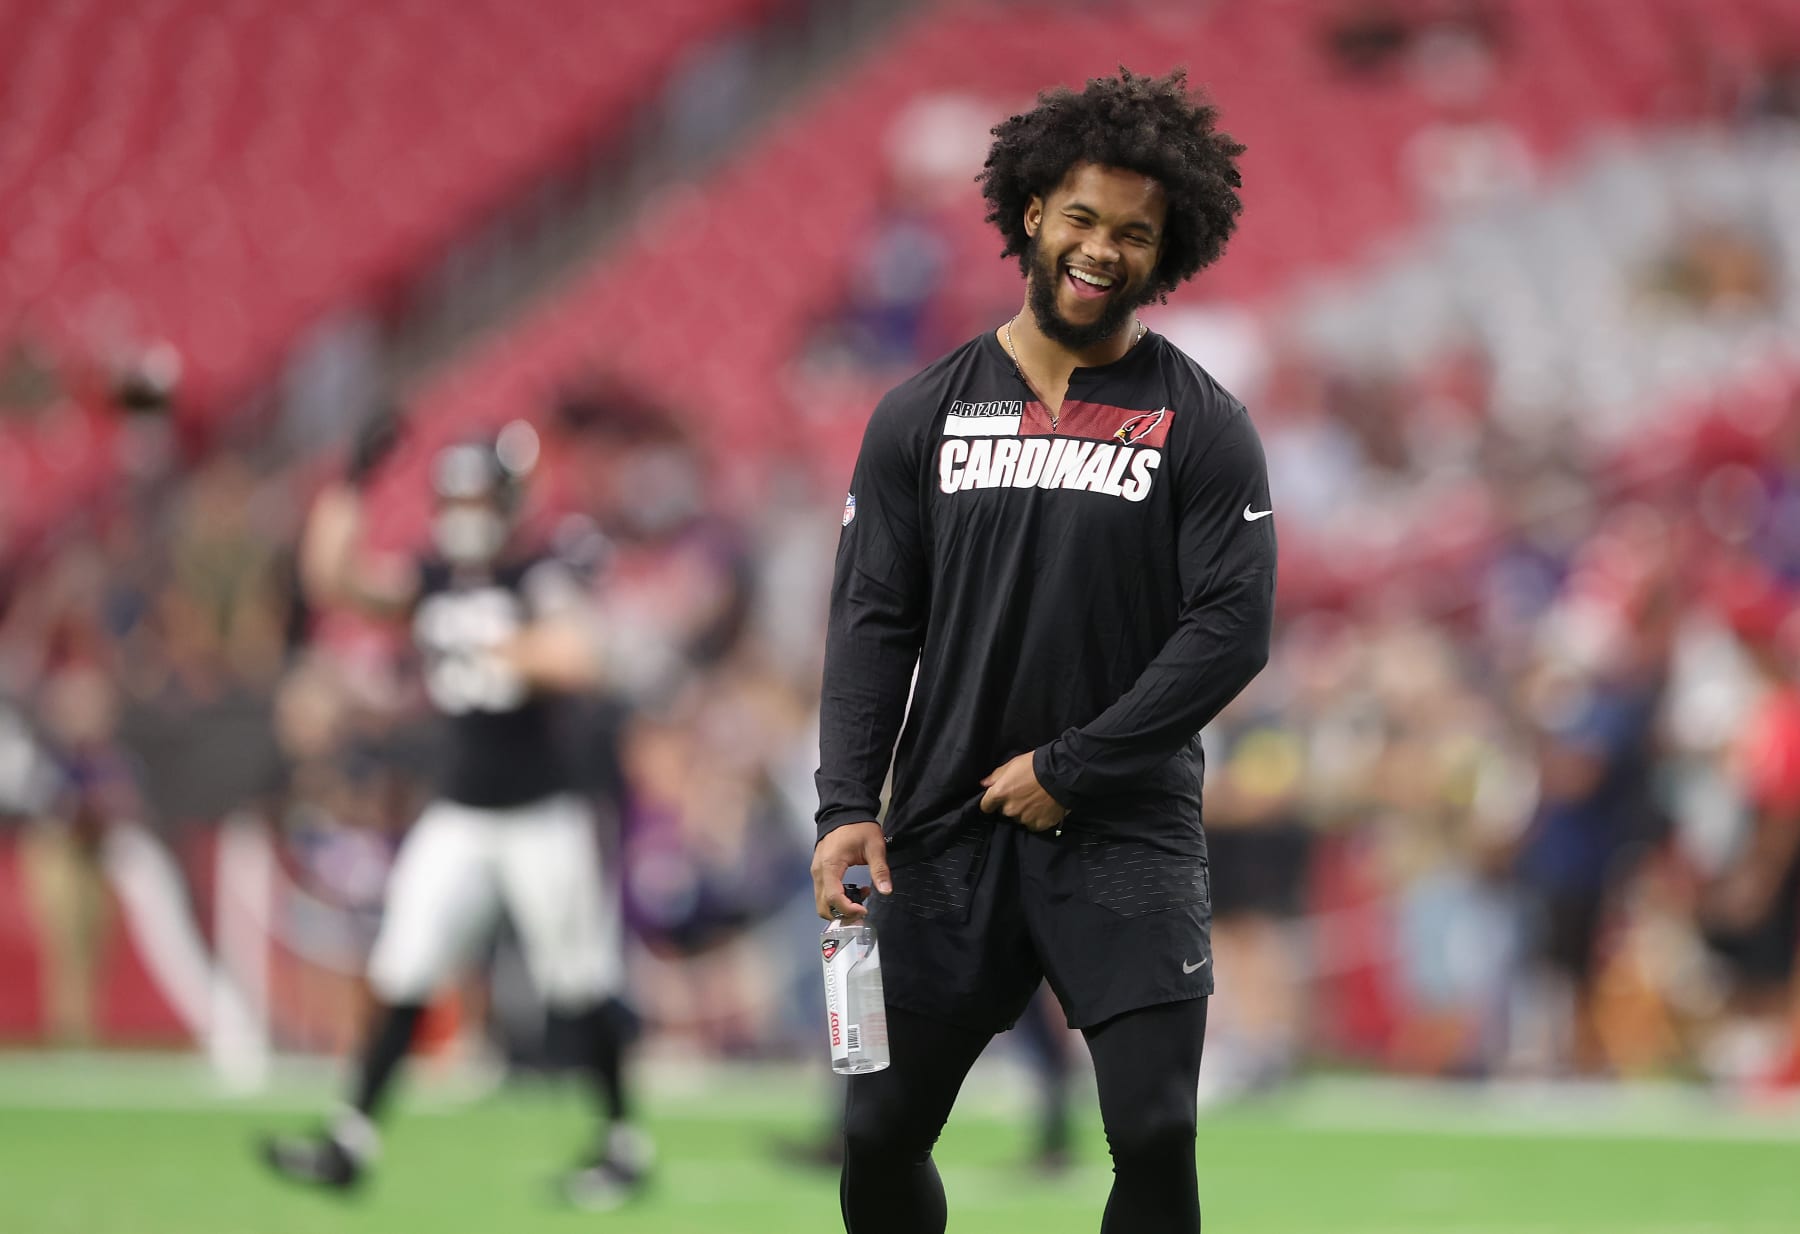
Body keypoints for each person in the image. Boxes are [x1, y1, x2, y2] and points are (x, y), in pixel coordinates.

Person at [811, 69, 1276, 1234]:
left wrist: (1074, 764)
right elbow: (873, 618)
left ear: (1168, 252)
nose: (1102, 249)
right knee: (877, 1135)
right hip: (947, 824)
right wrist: (841, 804)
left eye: (1135, 232)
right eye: (1081, 218)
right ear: (1031, 214)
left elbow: (1231, 630)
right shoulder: (920, 413)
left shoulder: (1202, 423)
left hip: (1124, 824)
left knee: (1158, 1129)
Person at [260, 415, 648, 1209]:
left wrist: (494, 641)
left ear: (506, 501)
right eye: (455, 493)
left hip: (542, 810)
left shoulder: (536, 572)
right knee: (402, 969)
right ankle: (349, 1140)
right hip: (461, 813)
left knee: (577, 984)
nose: (465, 508)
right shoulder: (435, 577)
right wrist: (350, 483)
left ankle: (620, 1142)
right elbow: (333, 579)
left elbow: (583, 654)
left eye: (478, 493)